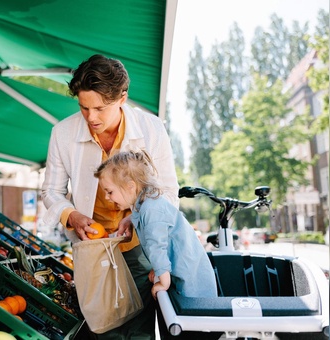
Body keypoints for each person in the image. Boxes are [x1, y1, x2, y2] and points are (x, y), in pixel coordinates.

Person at [41, 54, 179, 339]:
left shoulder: (152, 129)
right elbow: (51, 191)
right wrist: (72, 216)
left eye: (100, 109)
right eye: (83, 107)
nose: (91, 117)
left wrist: (135, 217)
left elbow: (167, 191)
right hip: (93, 249)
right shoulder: (62, 134)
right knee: (103, 329)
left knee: (140, 329)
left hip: (140, 247)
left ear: (122, 99)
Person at [94, 150, 218, 300]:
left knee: (196, 319)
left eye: (109, 191)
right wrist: (158, 269)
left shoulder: (151, 209)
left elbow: (156, 246)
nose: (107, 198)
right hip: (182, 274)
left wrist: (163, 282)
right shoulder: (144, 206)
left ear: (130, 186)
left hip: (192, 281)